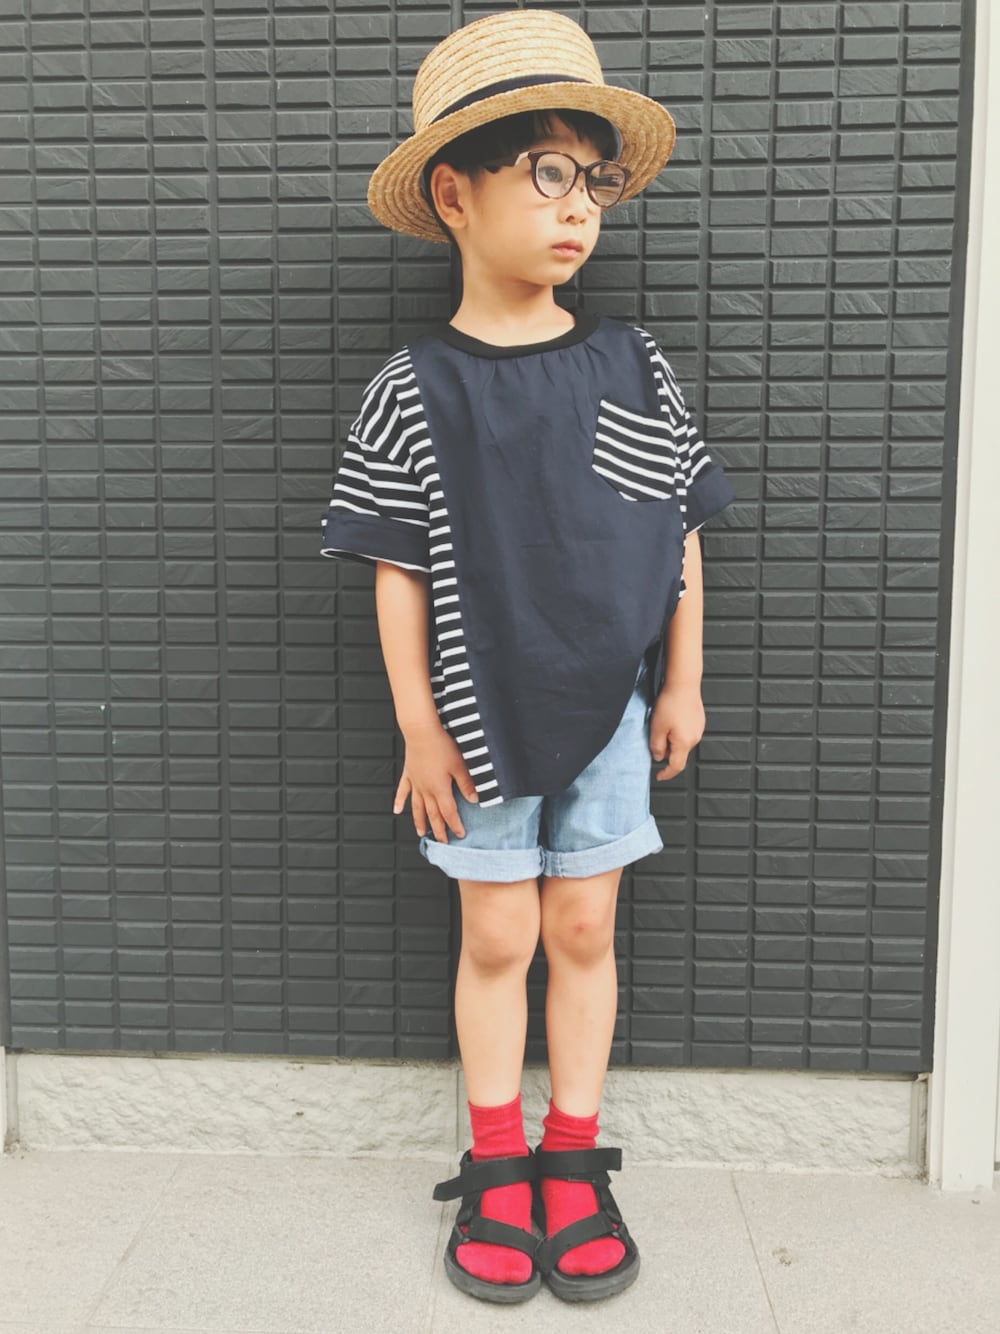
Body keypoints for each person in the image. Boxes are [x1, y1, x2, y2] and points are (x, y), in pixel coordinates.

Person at [320, 9, 735, 1306]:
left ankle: (574, 1155)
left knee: (584, 921)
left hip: (608, 705)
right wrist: (418, 723)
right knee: (498, 929)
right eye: (546, 172)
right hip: (477, 708)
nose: (577, 206)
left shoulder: (631, 364)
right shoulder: (413, 387)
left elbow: (675, 532)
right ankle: (496, 1158)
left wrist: (683, 678)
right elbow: (395, 565)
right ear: (456, 194)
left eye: (593, 179)